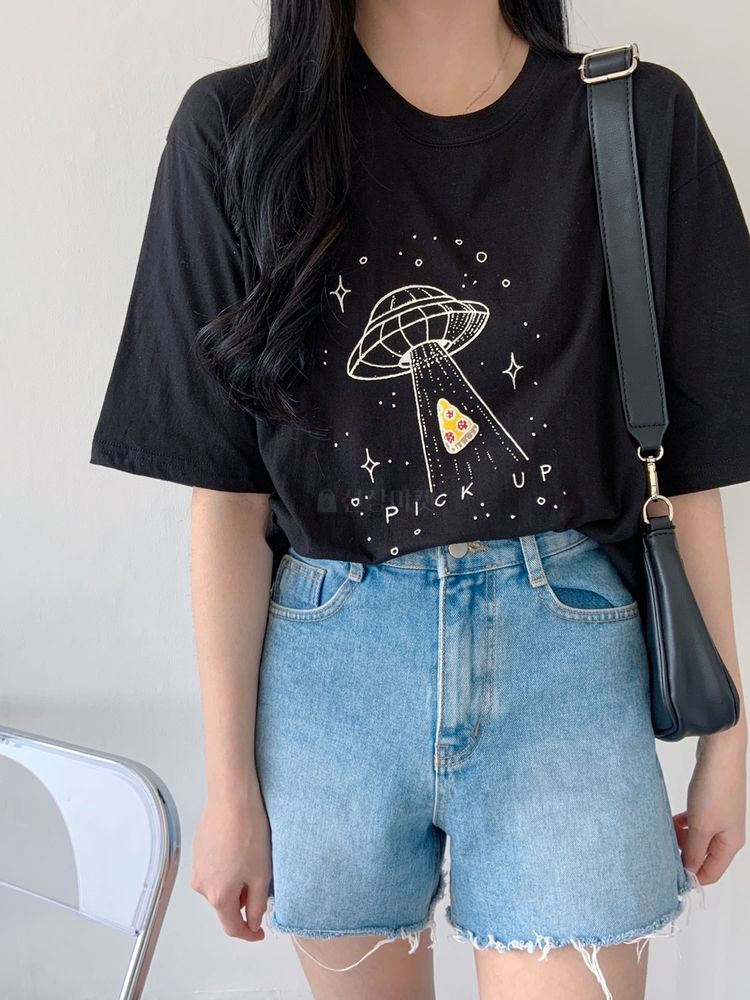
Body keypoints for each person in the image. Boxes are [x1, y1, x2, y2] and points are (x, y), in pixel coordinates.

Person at [89, 2, 749, 998]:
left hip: (567, 670)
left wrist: (729, 744)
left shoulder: (632, 116)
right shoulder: (236, 131)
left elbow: (687, 472)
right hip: (331, 677)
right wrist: (229, 789)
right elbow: (226, 498)